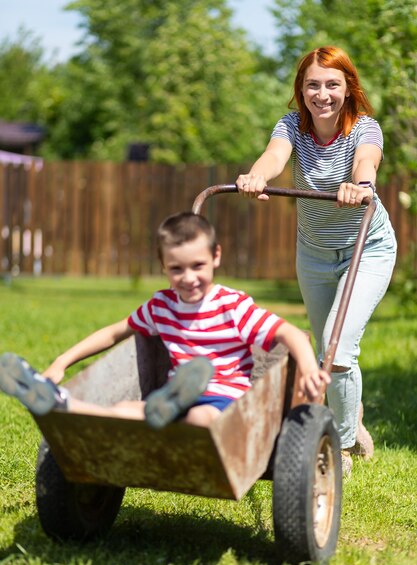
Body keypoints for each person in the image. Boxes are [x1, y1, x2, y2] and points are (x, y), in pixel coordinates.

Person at [0, 212, 330, 430]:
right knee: (124, 412)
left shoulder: (232, 305)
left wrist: (308, 368)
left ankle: (171, 408)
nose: (188, 278)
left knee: (201, 420)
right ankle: (60, 403)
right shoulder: (162, 306)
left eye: (198, 266)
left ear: (216, 257)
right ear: (163, 266)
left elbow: (289, 332)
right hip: (171, 398)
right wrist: (62, 362)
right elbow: (115, 332)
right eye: (177, 269)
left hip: (225, 401)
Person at [236, 46, 397, 475]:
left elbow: (367, 160)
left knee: (338, 348)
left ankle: (340, 447)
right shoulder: (292, 125)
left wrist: (360, 184)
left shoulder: (365, 128)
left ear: (348, 89)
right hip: (314, 252)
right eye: (312, 84)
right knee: (328, 348)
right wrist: (257, 176)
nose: (321, 93)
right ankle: (352, 419)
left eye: (332, 84)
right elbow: (274, 155)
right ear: (301, 89)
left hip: (368, 247)